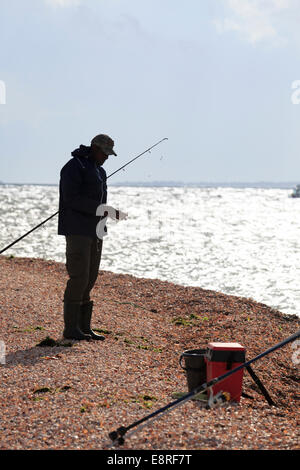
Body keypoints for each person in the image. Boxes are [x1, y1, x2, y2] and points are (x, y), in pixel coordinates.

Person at [58, 134, 117, 340]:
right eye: (105, 153)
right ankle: (70, 329)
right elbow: (71, 199)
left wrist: (106, 214)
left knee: (90, 278)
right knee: (79, 277)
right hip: (77, 230)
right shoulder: (74, 166)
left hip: (96, 232)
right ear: (94, 148)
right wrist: (100, 209)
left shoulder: (100, 171)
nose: (107, 157)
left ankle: (84, 328)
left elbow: (100, 204)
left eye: (109, 154)